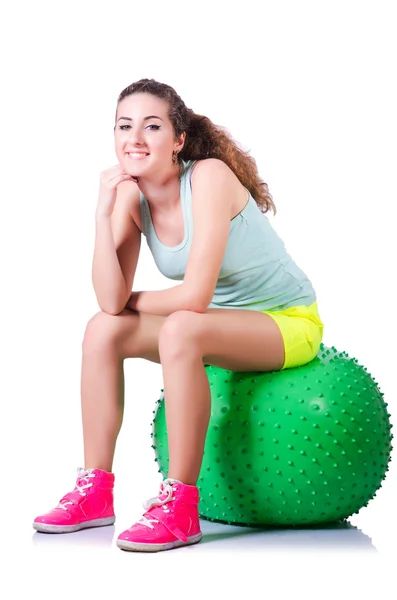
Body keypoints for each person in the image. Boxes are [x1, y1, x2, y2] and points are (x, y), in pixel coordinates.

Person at [33, 77, 324, 552]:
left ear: (179, 140)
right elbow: (110, 302)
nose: (135, 138)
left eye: (152, 126)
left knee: (181, 326)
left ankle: (181, 506)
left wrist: (134, 301)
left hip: (285, 323)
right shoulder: (130, 198)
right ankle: (95, 491)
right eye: (124, 126)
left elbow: (195, 294)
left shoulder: (207, 176)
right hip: (213, 324)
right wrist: (101, 212)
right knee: (102, 330)